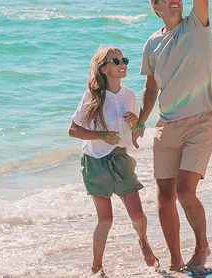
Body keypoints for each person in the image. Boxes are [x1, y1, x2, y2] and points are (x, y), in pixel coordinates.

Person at [132, 0, 212, 272]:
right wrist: (140, 121)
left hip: (201, 121)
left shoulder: (196, 24)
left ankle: (202, 247)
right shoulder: (152, 43)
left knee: (186, 191)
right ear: (155, 7)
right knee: (164, 198)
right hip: (166, 125)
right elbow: (151, 85)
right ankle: (175, 259)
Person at [69, 46, 159, 275]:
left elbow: (136, 134)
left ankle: (143, 242)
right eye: (116, 60)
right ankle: (96, 267)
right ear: (103, 68)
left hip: (120, 158)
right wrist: (100, 135)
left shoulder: (129, 95)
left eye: (124, 60)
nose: (122, 64)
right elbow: (73, 130)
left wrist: (135, 123)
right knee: (106, 219)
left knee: (137, 214)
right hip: (95, 161)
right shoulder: (92, 96)